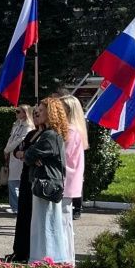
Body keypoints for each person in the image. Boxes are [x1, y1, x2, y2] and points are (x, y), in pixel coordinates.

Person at [24, 98, 72, 264]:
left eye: (42, 110)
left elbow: (28, 154)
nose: (38, 113)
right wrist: (31, 155)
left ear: (50, 113)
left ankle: (47, 259)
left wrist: (32, 155)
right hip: (46, 182)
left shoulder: (50, 135)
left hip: (46, 184)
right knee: (44, 222)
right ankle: (45, 258)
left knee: (46, 224)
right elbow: (28, 154)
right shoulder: (51, 134)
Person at [8, 117, 44, 263]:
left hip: (35, 177)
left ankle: (29, 252)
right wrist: (25, 154)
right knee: (23, 214)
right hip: (25, 175)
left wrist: (26, 154)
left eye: (39, 112)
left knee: (32, 215)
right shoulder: (31, 134)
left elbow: (32, 154)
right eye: (35, 113)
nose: (36, 116)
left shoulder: (47, 134)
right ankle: (19, 251)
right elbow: (18, 151)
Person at [58, 95, 88, 231]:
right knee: (64, 219)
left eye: (60, 108)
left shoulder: (70, 131)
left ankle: (63, 251)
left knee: (62, 221)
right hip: (67, 179)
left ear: (68, 111)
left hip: (65, 179)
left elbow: (63, 155)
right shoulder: (74, 129)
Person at [4, 106, 35, 214]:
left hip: (19, 157)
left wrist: (8, 149)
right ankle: (15, 206)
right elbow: (11, 138)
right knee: (12, 182)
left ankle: (18, 208)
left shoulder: (28, 127)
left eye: (18, 111)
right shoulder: (17, 124)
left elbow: (19, 140)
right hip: (13, 156)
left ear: (25, 113)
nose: (16, 113)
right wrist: (6, 150)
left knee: (16, 183)